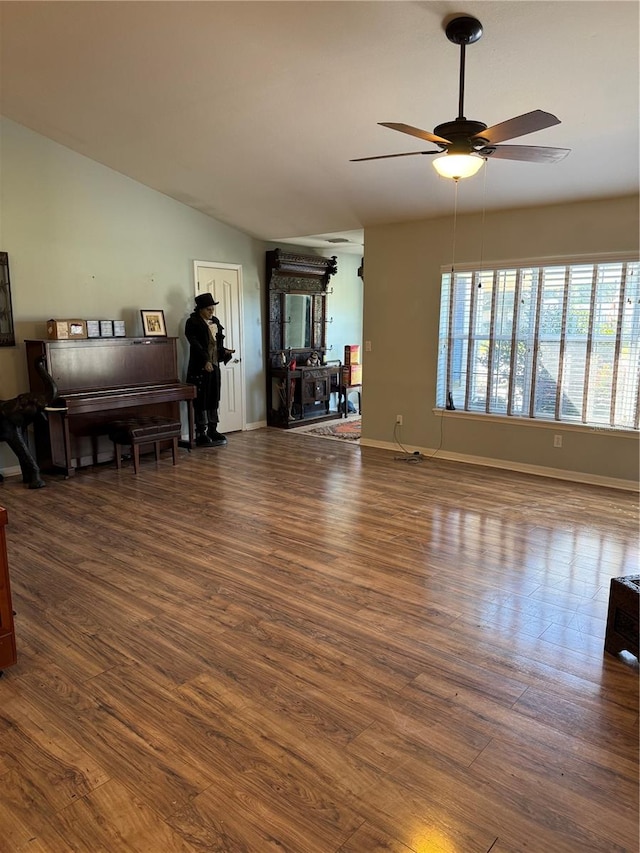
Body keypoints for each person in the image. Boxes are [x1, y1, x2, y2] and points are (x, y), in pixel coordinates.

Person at [185, 293, 235, 446]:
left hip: (214, 365)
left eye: (212, 308)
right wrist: (205, 360)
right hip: (199, 367)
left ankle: (213, 429)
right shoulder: (192, 322)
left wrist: (224, 351)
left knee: (214, 396)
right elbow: (195, 344)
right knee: (200, 399)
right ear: (200, 309)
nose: (211, 312)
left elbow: (216, 345)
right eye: (208, 309)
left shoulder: (215, 322)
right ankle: (201, 431)